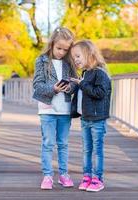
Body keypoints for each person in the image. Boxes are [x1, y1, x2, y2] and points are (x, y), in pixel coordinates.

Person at [32, 27, 77, 190]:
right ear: (51, 44)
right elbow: (37, 85)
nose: (62, 52)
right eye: (59, 48)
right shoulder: (41, 60)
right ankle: (48, 175)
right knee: (48, 143)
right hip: (47, 109)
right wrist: (54, 89)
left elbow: (75, 82)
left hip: (65, 109)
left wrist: (69, 88)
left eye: (66, 50)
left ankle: (64, 174)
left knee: (63, 143)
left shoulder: (69, 62)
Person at [70, 40, 111, 192]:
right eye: (74, 58)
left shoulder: (100, 73)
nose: (76, 60)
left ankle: (97, 178)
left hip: (97, 120)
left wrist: (83, 85)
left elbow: (100, 93)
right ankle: (87, 176)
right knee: (86, 149)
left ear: (89, 54)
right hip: (85, 118)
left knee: (97, 150)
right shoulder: (86, 74)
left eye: (78, 56)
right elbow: (83, 94)